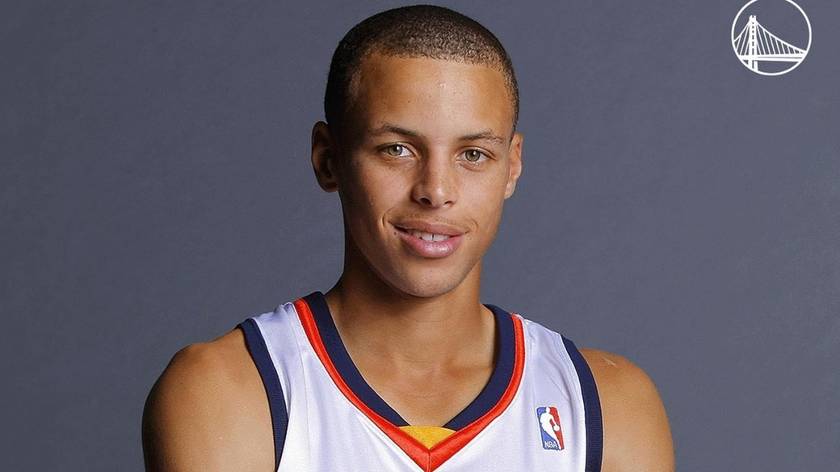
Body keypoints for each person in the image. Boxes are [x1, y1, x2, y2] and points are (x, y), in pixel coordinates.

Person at [142, 5, 674, 471]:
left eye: (473, 155)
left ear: (512, 166)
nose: (436, 191)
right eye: (397, 149)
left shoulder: (606, 406)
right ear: (328, 159)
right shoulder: (231, 390)